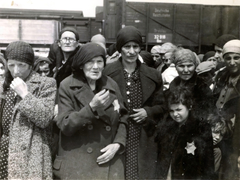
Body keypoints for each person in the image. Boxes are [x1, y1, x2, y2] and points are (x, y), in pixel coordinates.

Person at [53, 42, 128, 179]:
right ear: (81, 64)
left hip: (109, 161)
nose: (95, 67)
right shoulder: (67, 85)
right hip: (78, 163)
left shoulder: (111, 84)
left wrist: (118, 143)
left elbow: (123, 117)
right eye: (90, 62)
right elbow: (65, 125)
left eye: (99, 62)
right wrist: (91, 108)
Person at [103, 26, 165, 179]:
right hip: (117, 134)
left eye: (135, 46)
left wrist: (148, 112)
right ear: (119, 48)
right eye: (127, 47)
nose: (131, 51)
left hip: (144, 135)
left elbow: (163, 105)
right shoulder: (107, 73)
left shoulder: (153, 75)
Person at [0, 41, 56, 179]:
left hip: (30, 155)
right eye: (11, 65)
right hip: (4, 149)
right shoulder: (4, 85)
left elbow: (44, 118)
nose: (16, 71)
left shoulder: (46, 84)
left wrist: (25, 94)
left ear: (31, 65)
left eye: (21, 65)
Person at [155, 86, 214, 180]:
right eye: (171, 111)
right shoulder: (166, 127)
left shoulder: (200, 128)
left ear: (189, 106)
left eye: (178, 110)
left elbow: (207, 163)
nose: (175, 114)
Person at [213, 39, 240, 180]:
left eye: (237, 57)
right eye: (228, 58)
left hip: (236, 135)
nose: (232, 62)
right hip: (220, 132)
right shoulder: (221, 76)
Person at [169, 47, 214, 120]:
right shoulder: (174, 84)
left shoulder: (201, 86)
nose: (186, 70)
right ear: (176, 67)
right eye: (181, 66)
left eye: (189, 66)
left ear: (195, 66)